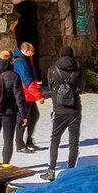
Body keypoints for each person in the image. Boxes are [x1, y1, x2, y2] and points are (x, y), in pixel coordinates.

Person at [41, 46, 85, 180]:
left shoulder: (52, 70)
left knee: (55, 139)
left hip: (59, 110)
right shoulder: (78, 71)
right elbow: (82, 89)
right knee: (74, 141)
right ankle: (71, 171)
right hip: (74, 110)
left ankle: (51, 170)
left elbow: (49, 87)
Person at [12, 43, 41, 152]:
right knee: (22, 120)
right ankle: (20, 145)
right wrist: (38, 96)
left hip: (29, 95)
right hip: (23, 94)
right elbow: (26, 80)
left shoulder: (26, 59)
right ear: (26, 51)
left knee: (34, 116)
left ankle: (29, 141)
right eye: (31, 51)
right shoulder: (20, 62)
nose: (33, 53)